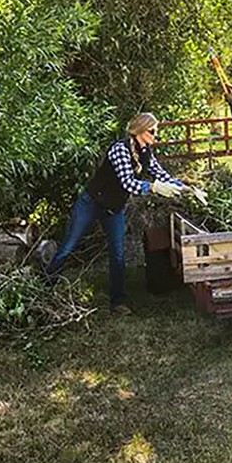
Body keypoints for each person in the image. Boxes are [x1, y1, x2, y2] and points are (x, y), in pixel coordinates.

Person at [46, 112, 188, 314]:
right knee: (69, 245)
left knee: (118, 254)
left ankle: (117, 301)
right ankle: (45, 286)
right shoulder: (119, 150)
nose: (156, 136)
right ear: (139, 131)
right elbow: (128, 182)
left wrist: (184, 188)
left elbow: (160, 173)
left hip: (114, 208)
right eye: (152, 131)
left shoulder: (145, 150)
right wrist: (154, 188)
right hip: (91, 203)